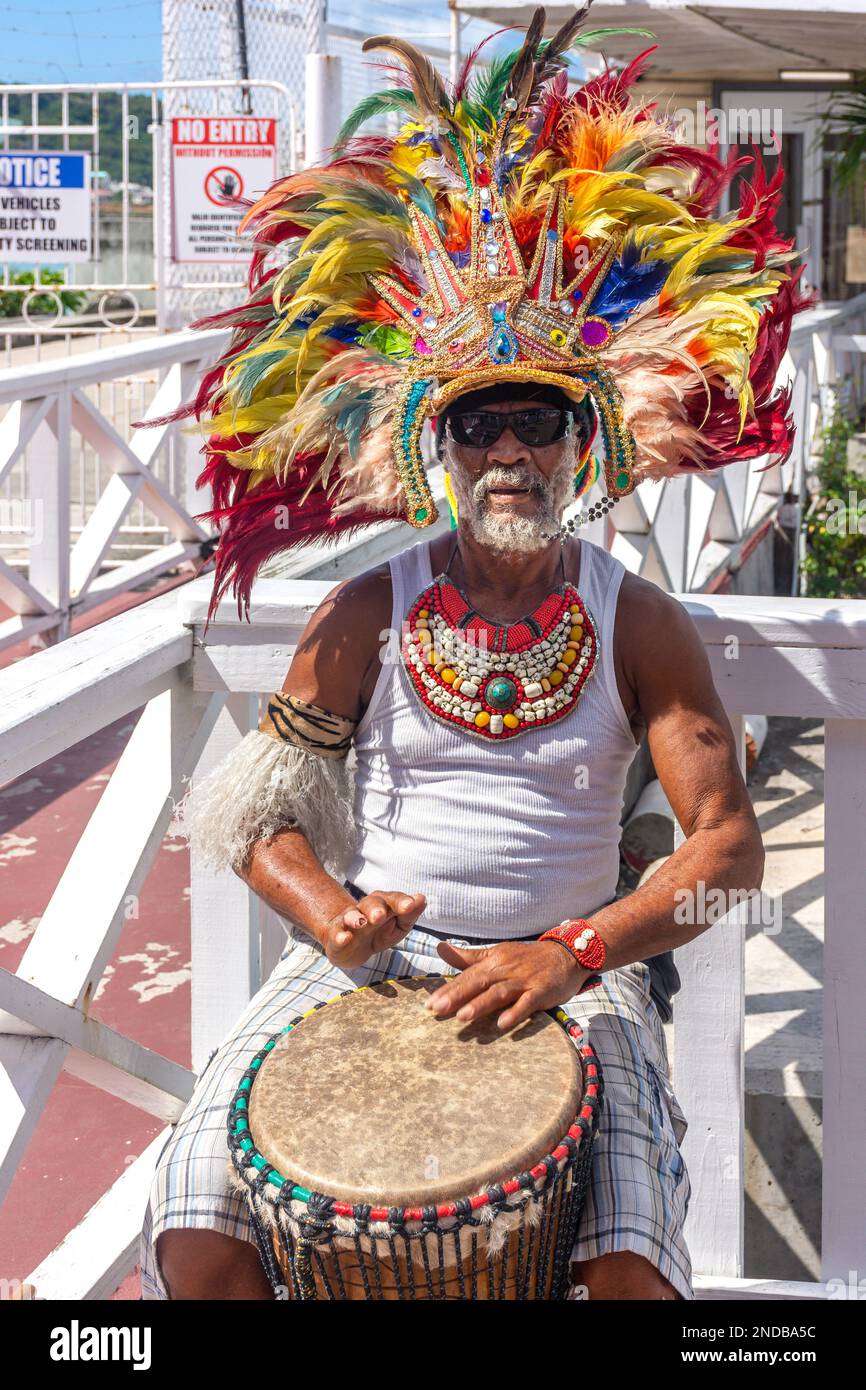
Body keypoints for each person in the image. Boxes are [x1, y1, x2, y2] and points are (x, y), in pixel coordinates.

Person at [140, 3, 802, 1300]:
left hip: (578, 975)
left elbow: (729, 859)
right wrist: (329, 912)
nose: (508, 449)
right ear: (439, 451)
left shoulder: (637, 617)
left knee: (632, 1275)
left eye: (536, 420)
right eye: (479, 424)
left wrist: (578, 950)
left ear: (580, 443)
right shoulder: (365, 612)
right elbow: (251, 818)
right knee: (194, 1228)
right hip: (374, 963)